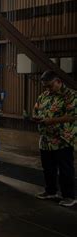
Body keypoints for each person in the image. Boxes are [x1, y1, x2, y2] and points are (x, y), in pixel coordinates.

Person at [33, 70, 76, 207]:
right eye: (45, 86)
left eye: (50, 85)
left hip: (62, 139)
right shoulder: (44, 95)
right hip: (45, 139)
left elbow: (72, 116)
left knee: (65, 169)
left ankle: (69, 196)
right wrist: (36, 117)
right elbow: (37, 109)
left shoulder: (70, 95)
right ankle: (51, 191)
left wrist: (50, 121)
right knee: (48, 167)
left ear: (58, 81)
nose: (48, 89)